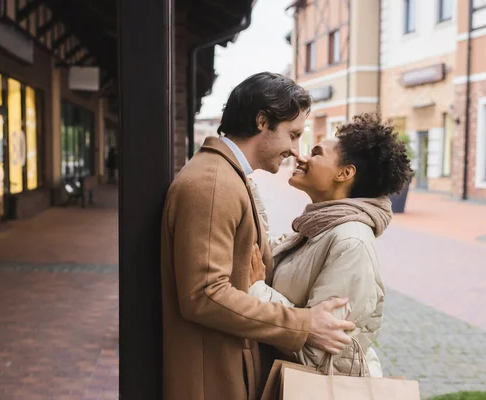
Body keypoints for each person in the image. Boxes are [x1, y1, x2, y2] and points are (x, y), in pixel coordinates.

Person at [160, 72, 357, 400]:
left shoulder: (222, 176)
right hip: (212, 379)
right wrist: (303, 324)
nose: (296, 150)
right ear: (262, 121)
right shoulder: (213, 184)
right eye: (293, 135)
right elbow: (204, 295)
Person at [249, 113, 412, 377]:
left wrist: (257, 291)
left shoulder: (350, 241)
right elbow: (266, 249)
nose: (301, 157)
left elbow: (322, 352)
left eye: (316, 153)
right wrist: (245, 183)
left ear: (344, 173)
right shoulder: (320, 228)